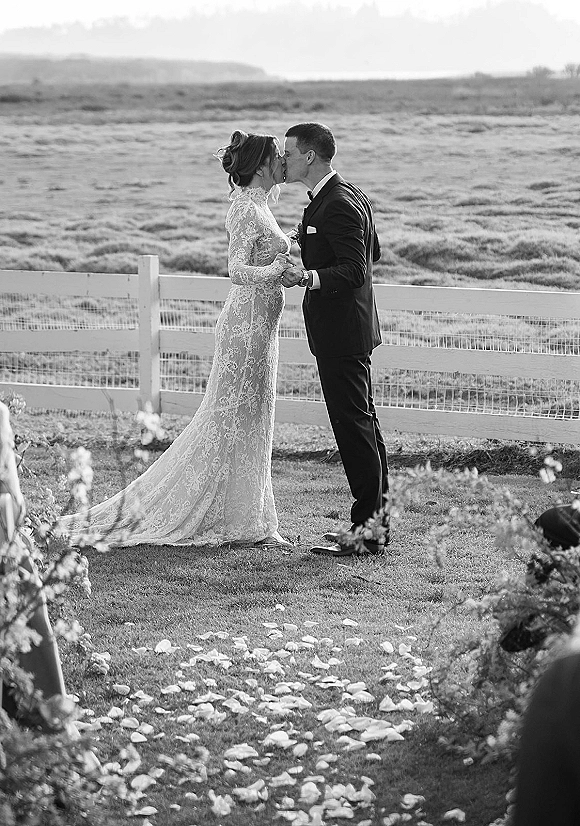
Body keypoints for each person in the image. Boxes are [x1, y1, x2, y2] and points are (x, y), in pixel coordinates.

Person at [59, 131, 293, 549]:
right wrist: (277, 269)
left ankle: (249, 517)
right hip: (245, 326)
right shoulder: (243, 209)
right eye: (277, 157)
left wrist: (285, 266)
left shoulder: (261, 207)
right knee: (226, 418)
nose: (282, 163)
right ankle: (199, 511)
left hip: (263, 328)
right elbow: (236, 270)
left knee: (254, 419)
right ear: (260, 166)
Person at [281, 122, 389, 557]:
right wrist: (308, 245)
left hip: (341, 332)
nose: (283, 160)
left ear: (309, 156)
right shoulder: (346, 195)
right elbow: (371, 251)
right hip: (350, 329)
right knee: (364, 425)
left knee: (354, 429)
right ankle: (372, 528)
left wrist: (307, 274)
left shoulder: (338, 203)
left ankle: (366, 535)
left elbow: (356, 269)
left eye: (288, 152)